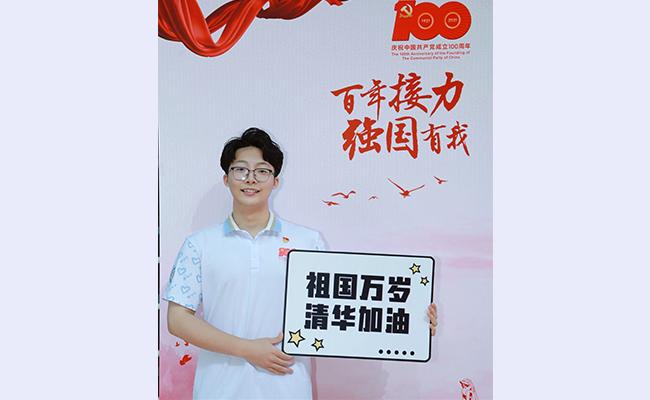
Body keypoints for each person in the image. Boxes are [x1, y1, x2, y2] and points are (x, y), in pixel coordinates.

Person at [162, 127, 438, 399]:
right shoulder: (199, 244)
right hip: (219, 390)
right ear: (226, 178)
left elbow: (342, 308)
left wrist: (413, 320)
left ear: (275, 181)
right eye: (241, 170)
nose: (251, 179)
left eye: (262, 171)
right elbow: (177, 319)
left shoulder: (308, 241)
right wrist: (247, 349)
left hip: (287, 387)